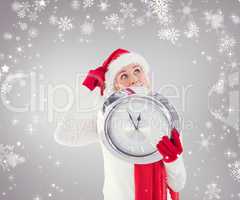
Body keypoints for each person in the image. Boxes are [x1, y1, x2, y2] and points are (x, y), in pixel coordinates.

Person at [54, 48, 186, 200]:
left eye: (137, 70)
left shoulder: (167, 119)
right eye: (124, 76)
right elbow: (64, 136)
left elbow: (177, 184)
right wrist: (88, 88)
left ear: (147, 75)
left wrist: (173, 160)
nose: (134, 79)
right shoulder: (106, 121)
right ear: (116, 87)